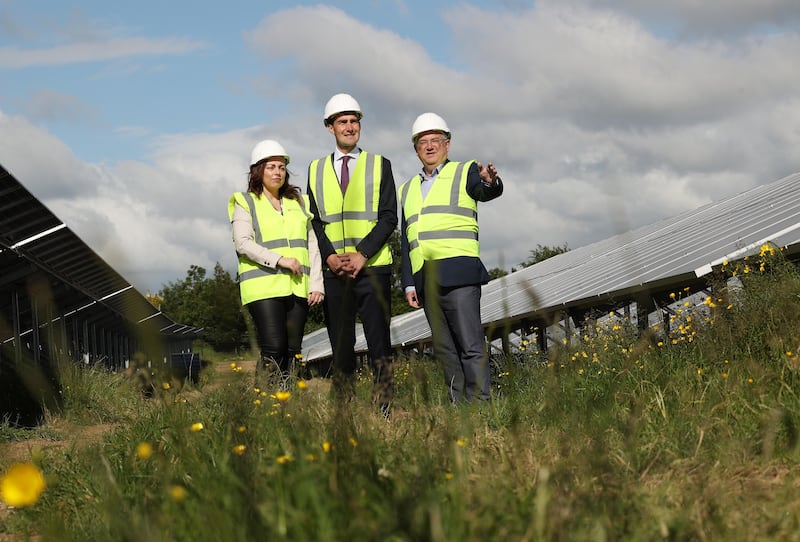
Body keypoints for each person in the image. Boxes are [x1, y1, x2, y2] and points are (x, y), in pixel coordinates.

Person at [399, 113, 504, 402]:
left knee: (471, 345)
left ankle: (481, 406)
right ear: (416, 149)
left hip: (460, 274)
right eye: (423, 142)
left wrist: (491, 183)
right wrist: (409, 283)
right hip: (426, 279)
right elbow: (407, 238)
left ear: (447, 144)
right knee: (445, 351)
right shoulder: (407, 189)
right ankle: (459, 410)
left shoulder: (465, 171)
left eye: (435, 140)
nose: (429, 146)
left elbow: (484, 191)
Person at [306, 93, 398, 415]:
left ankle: (384, 407)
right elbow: (314, 221)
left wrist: (362, 254)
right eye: (342, 122)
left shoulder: (380, 164)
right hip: (335, 271)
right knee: (340, 343)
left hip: (373, 268)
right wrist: (330, 257)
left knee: (379, 341)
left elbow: (389, 217)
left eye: (354, 121)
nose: (349, 127)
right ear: (329, 127)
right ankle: (343, 407)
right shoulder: (315, 169)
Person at [229, 139, 324, 388]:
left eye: (281, 167)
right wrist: (280, 260)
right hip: (263, 288)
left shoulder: (298, 203)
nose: (277, 172)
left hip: (298, 286)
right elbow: (242, 243)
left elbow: (312, 244)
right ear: (258, 171)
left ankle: (287, 399)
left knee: (293, 350)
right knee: (274, 346)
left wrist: (317, 283)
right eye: (271, 167)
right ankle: (266, 401)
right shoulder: (245, 202)